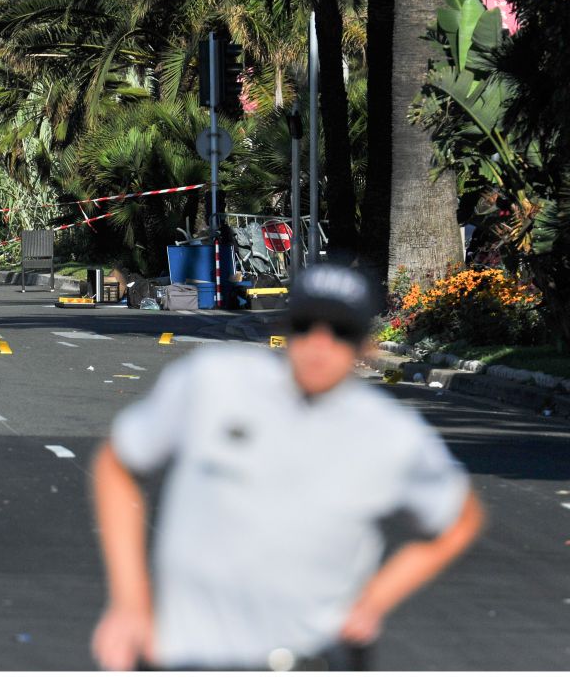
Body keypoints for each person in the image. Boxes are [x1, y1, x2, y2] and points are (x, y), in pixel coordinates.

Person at [90, 265, 485, 672]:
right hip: (187, 655)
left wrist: (373, 601)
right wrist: (130, 601)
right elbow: (118, 462)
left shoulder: (388, 433)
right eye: (305, 326)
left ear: (365, 345)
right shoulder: (215, 382)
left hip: (312, 659)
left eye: (340, 333)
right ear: (284, 327)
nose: (319, 345)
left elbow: (459, 517)